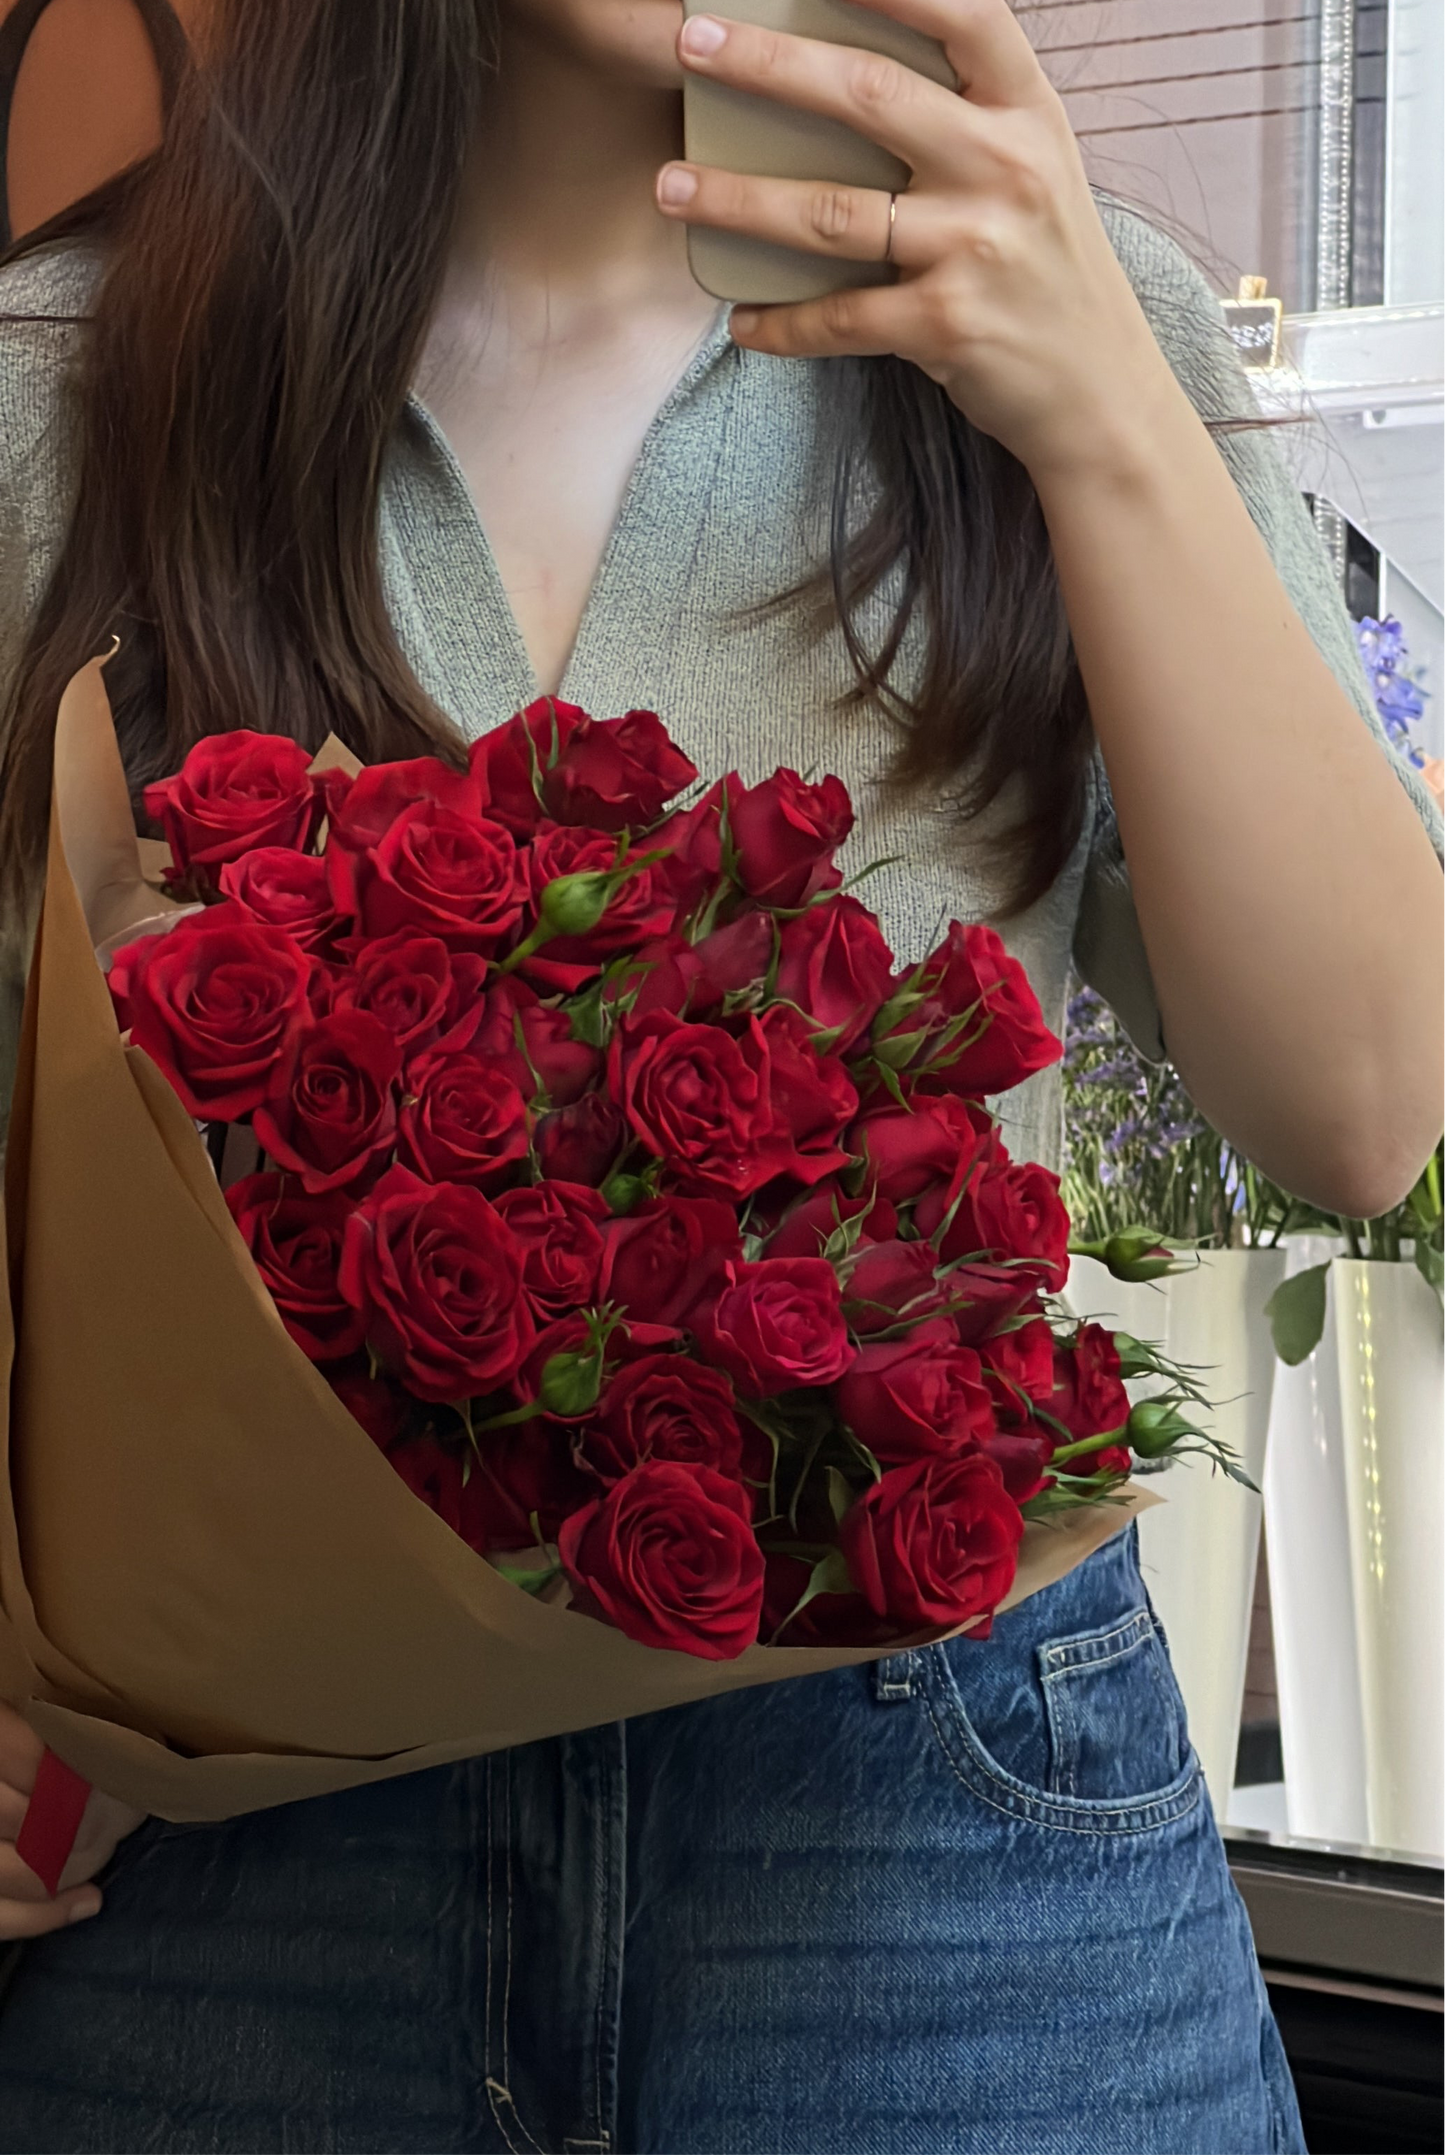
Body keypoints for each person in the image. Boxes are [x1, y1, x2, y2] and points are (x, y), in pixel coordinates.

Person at [0, 1, 1442, 2148]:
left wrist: (1099, 416)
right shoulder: (62, 373)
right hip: (242, 1848)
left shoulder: (1061, 325)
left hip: (937, 1825)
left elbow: (1352, 1103)